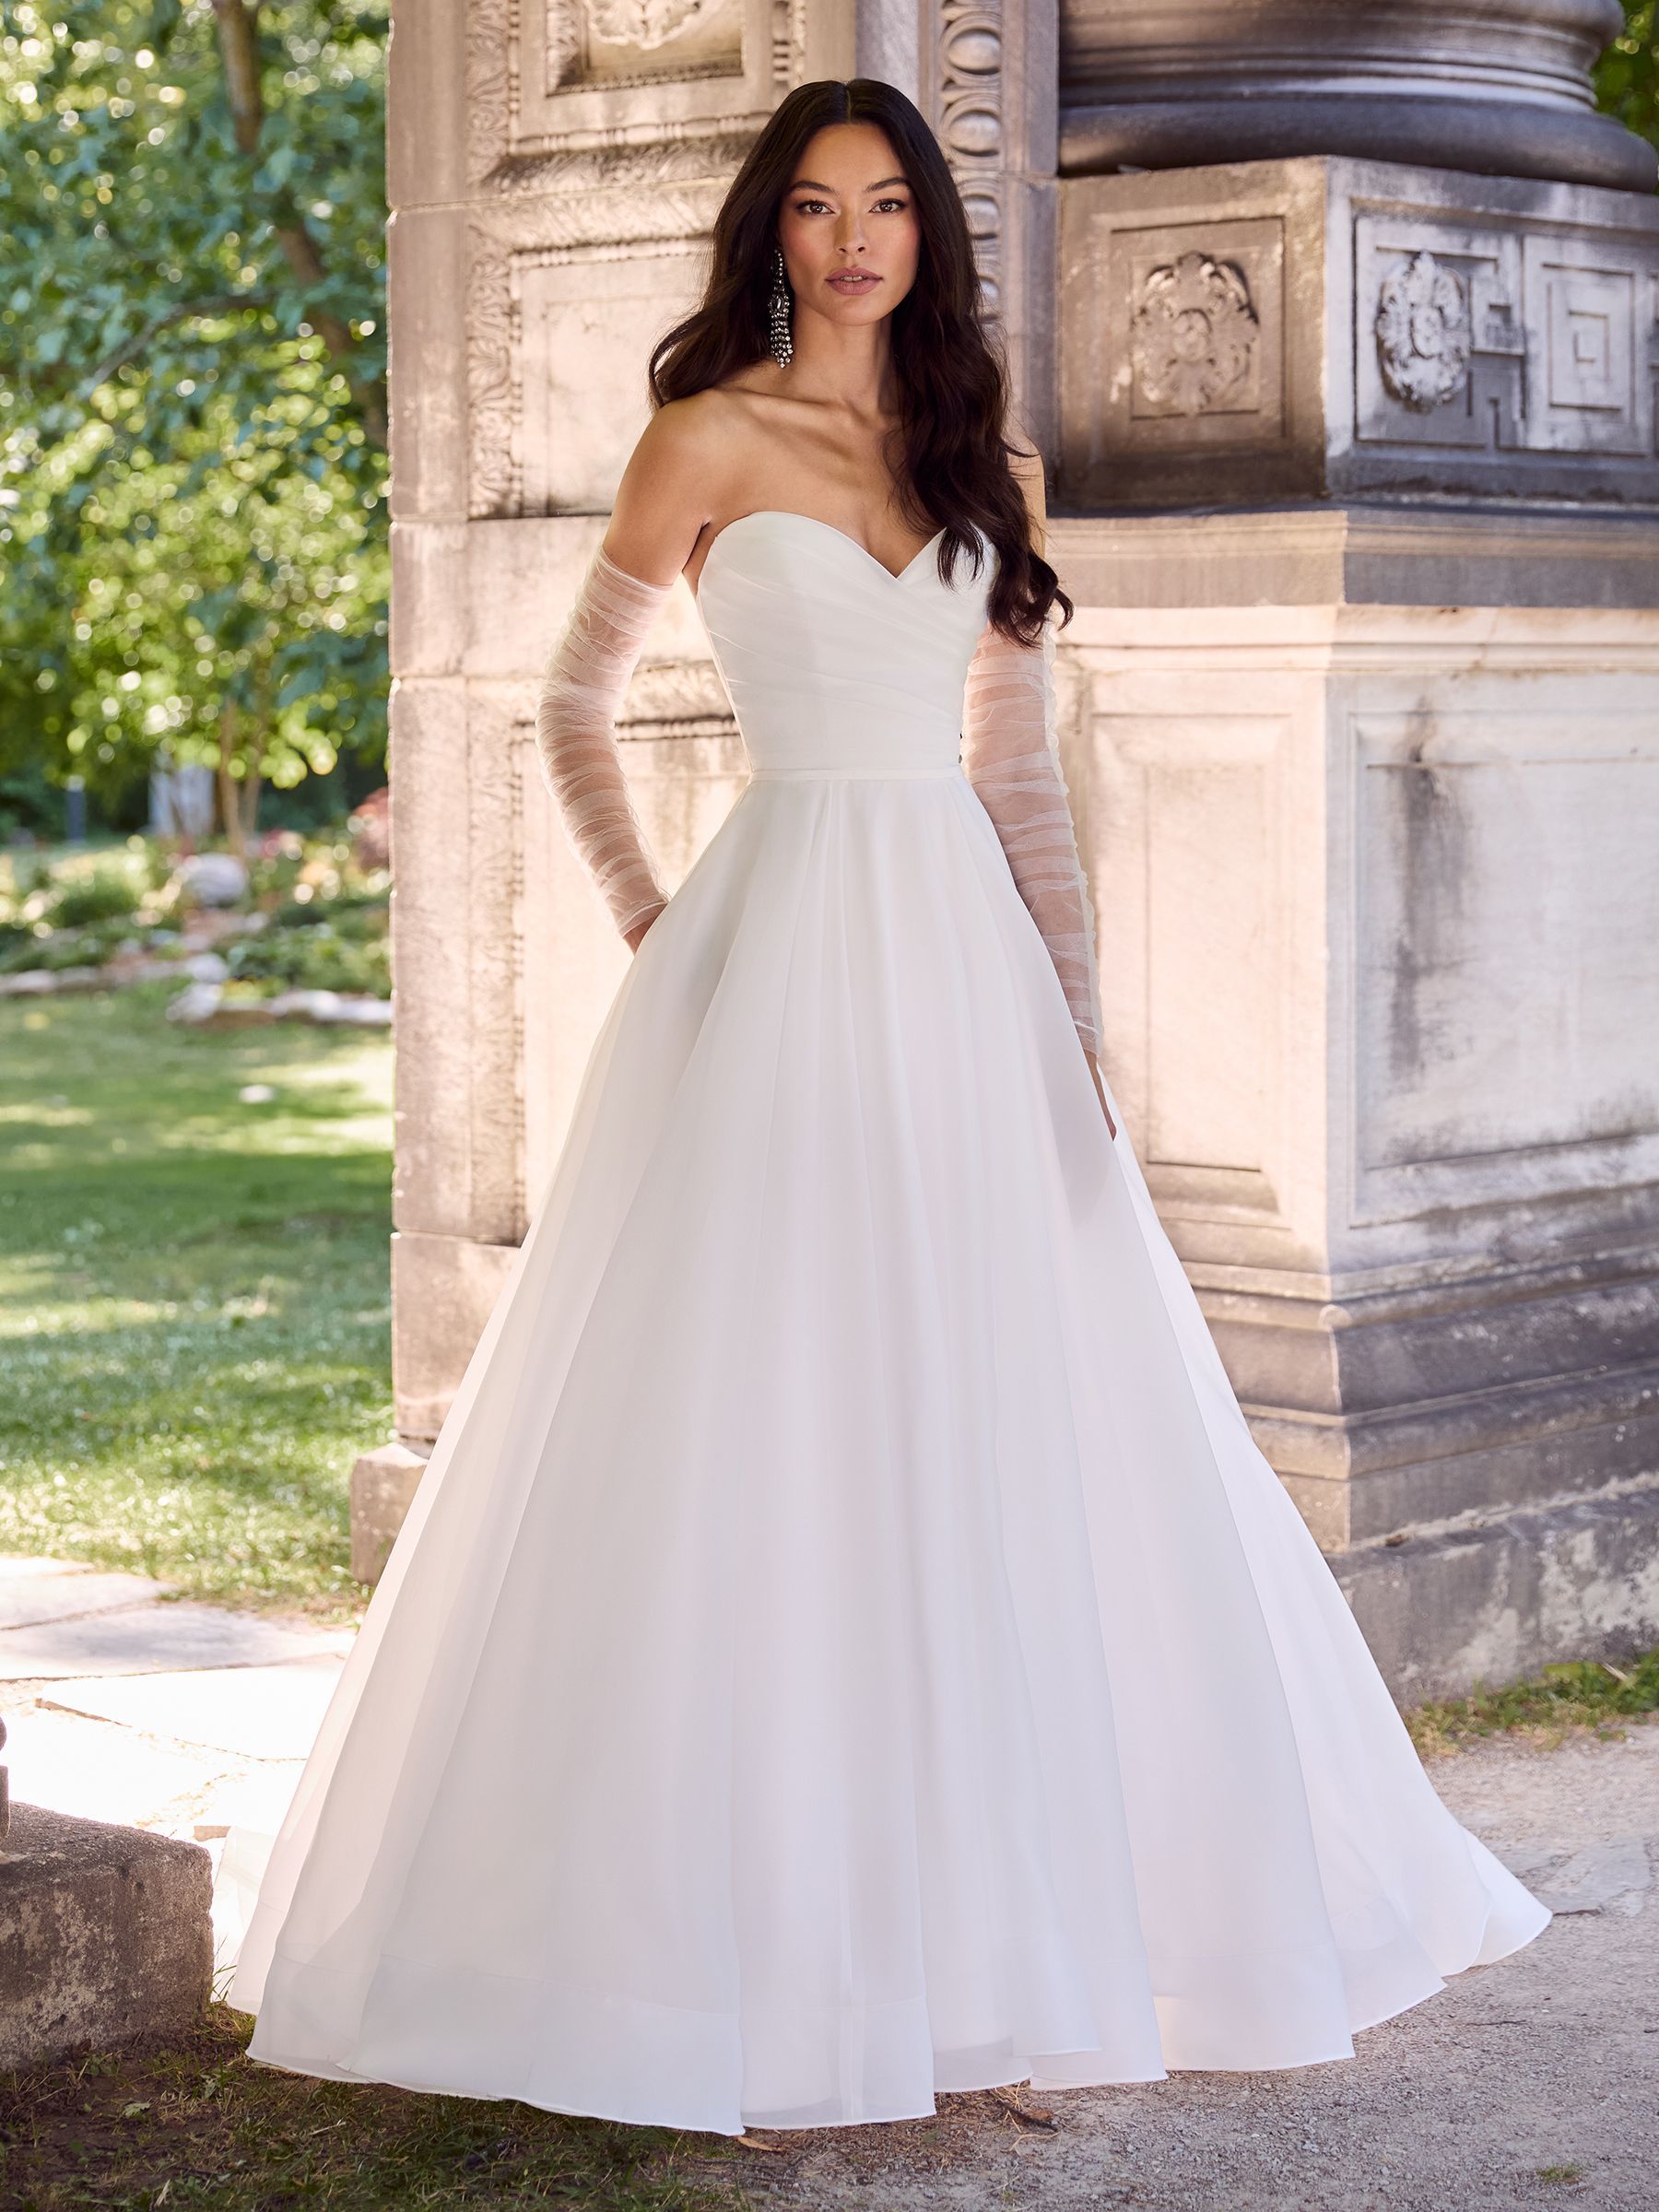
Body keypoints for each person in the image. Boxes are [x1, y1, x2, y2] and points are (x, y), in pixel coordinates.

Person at [219, 77, 1548, 2139]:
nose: (854, 241)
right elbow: (568, 703)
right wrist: (662, 918)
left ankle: (1005, 1963)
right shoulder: (705, 441)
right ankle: (746, 1959)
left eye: (887, 208)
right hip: (776, 950)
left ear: (928, 232)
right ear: (774, 233)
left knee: (995, 1423)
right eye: (819, 209)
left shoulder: (978, 455)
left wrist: (1076, 1019)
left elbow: (1016, 767)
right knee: (777, 1426)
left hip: (961, 961)